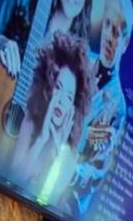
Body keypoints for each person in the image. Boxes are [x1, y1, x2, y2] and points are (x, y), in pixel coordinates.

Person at [62, 0, 133, 221]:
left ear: (125, 43)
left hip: (66, 202)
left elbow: (96, 169)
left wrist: (70, 172)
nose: (109, 38)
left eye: (117, 32)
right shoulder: (79, 61)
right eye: (107, 25)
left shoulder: (117, 106)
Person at [10, 31, 95, 197]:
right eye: (58, 87)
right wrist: (41, 140)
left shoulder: (70, 156)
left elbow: (45, 198)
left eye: (69, 97)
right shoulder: (30, 121)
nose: (61, 100)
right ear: (48, 86)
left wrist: (56, 152)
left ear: (74, 107)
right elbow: (12, 179)